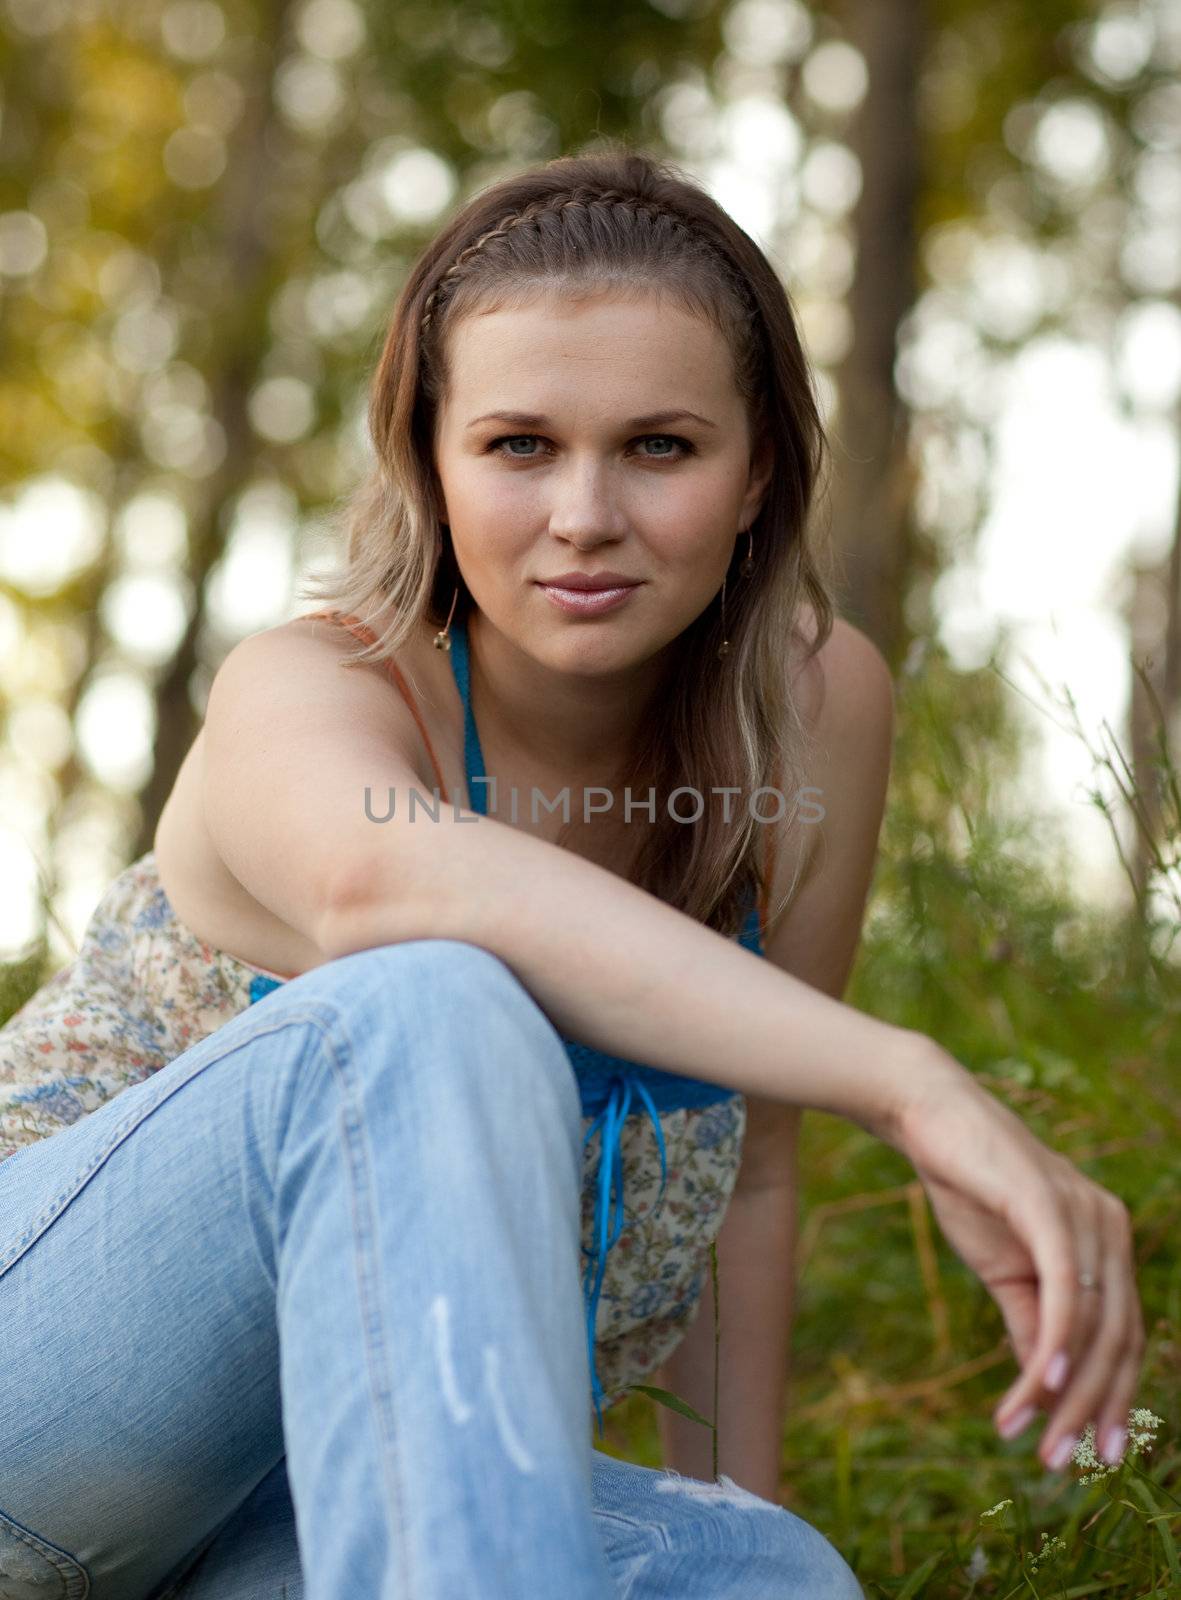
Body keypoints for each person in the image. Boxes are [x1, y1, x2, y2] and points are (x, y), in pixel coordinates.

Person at [0, 143, 1143, 1600]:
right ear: (428, 459)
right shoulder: (314, 687)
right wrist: (910, 1081)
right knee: (432, 1001)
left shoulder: (813, 708)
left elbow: (753, 1180)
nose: (584, 515)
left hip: (326, 1505)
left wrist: (720, 1512)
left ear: (757, 474)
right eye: (518, 445)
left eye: (659, 446)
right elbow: (386, 891)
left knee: (764, 1579)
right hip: (41, 1410)